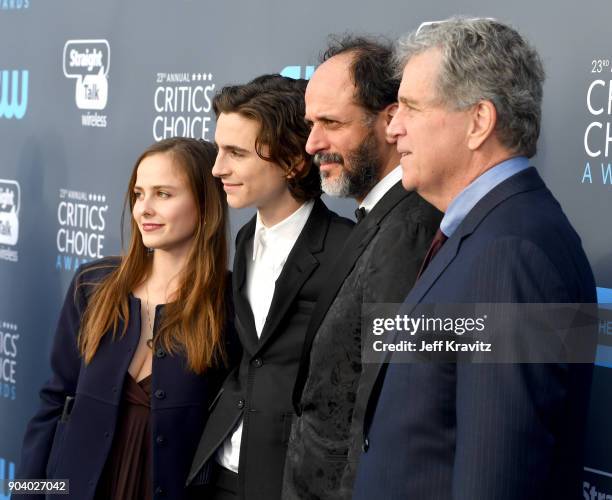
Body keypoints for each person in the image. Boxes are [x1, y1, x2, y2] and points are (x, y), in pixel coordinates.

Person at [353, 17, 596, 500]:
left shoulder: (512, 255)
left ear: (479, 122)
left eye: (411, 108)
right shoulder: (487, 232)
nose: (393, 126)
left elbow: (498, 472)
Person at [17, 137, 236, 500]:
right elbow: (55, 401)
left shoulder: (229, 303)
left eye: (164, 194)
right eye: (138, 194)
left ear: (205, 203)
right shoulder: (93, 285)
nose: (144, 209)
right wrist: (26, 493)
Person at [283, 36, 442, 499]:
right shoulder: (382, 216)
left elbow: (380, 409)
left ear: (390, 120)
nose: (313, 143)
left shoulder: (410, 227)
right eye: (311, 123)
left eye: (331, 123)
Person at [186, 74, 354, 500]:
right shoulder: (244, 239)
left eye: (236, 153)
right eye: (220, 149)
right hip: (221, 470)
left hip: (292, 479)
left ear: (294, 162)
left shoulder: (346, 248)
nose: (216, 168)